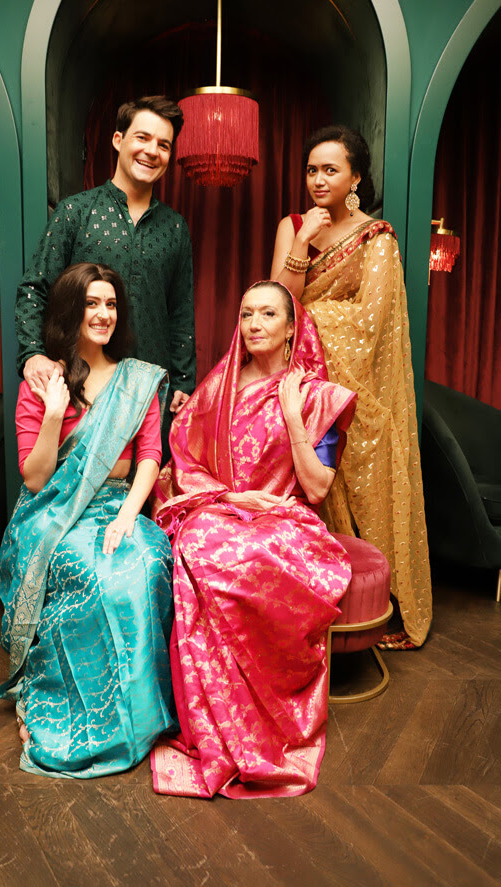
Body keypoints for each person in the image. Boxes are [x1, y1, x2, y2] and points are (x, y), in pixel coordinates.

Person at [149, 281, 357, 799]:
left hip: (285, 521)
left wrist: (292, 413)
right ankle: (212, 724)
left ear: (292, 327)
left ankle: (262, 718)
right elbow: (186, 463)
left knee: (240, 557)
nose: (254, 324)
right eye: (246, 314)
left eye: (268, 314)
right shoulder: (217, 389)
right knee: (196, 545)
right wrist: (231, 498)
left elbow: (316, 488)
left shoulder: (315, 396)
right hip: (223, 509)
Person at [0, 262, 176, 778]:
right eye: (91, 303)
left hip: (119, 505)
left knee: (149, 565)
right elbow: (36, 480)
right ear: (70, 311)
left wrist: (127, 516)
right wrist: (53, 414)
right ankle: (75, 710)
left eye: (111, 304)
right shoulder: (43, 382)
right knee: (96, 578)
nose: (102, 314)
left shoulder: (138, 379)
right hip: (57, 512)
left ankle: (142, 716)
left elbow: (150, 456)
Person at [271, 125, 432, 650]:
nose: (318, 180)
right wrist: (301, 242)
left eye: (330, 170)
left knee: (361, 477)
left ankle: (379, 607)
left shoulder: (376, 238)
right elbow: (278, 305)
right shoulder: (292, 226)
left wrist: (310, 320)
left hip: (351, 385)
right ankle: (303, 605)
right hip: (296, 381)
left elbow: (370, 323)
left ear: (355, 177)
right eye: (311, 170)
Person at [15, 95, 195, 448]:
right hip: (82, 390)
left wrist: (184, 382)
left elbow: (181, 312)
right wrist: (33, 354)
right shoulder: (75, 213)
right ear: (118, 140)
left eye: (163, 145)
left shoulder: (175, 228)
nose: (152, 151)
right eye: (142, 138)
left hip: (151, 393)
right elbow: (35, 287)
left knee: (147, 479)